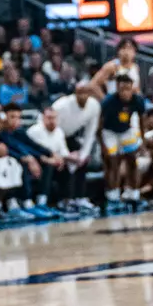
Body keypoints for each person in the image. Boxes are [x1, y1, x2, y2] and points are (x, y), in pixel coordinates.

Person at [52, 82, 100, 213]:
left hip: (71, 136)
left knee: (81, 160)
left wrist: (83, 155)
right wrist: (66, 154)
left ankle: (80, 197)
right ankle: (65, 199)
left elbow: (91, 132)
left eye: (86, 93)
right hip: (53, 137)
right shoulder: (61, 106)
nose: (83, 96)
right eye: (80, 92)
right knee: (64, 164)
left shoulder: (94, 106)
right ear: (75, 93)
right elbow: (54, 131)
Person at [100, 74, 146, 209]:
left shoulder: (137, 100)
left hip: (126, 130)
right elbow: (99, 124)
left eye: (128, 88)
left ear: (132, 88)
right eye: (122, 89)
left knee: (133, 161)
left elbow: (142, 119)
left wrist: (141, 139)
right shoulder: (108, 101)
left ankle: (133, 195)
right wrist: (102, 144)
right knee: (113, 163)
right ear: (117, 88)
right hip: (109, 132)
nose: (125, 92)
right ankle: (113, 197)